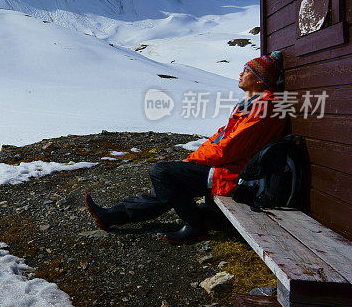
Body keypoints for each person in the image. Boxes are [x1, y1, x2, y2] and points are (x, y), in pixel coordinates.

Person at [85, 53, 287, 244]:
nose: (240, 74)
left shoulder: (264, 108)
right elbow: (220, 138)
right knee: (168, 185)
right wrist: (193, 160)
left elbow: (227, 149)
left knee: (162, 173)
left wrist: (193, 162)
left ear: (260, 80)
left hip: (235, 175)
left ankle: (195, 225)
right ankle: (111, 216)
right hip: (227, 167)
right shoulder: (251, 104)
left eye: (247, 70)